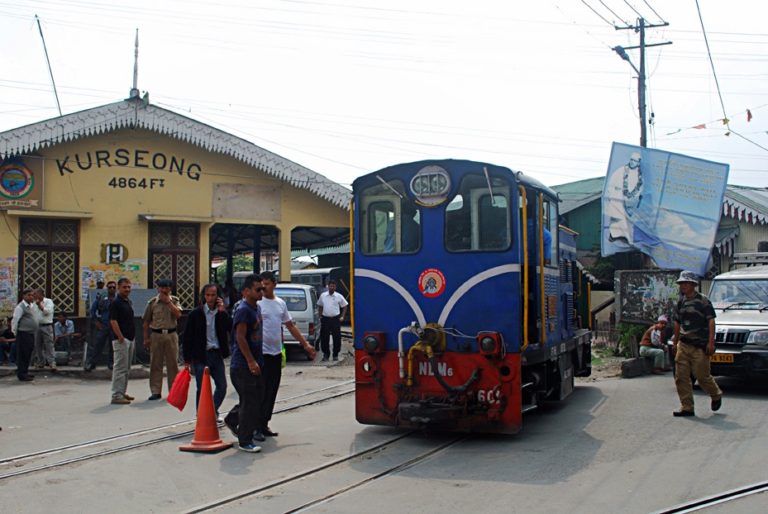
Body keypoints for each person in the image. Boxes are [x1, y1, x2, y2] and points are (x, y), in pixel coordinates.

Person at [257, 271, 317, 440]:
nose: (263, 287)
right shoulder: (258, 304)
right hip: (261, 354)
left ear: (274, 284)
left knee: (272, 390)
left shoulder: (280, 304)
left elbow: (290, 326)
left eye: (267, 283)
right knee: (259, 391)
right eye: (262, 283)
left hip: (276, 353)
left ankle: (264, 423)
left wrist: (305, 345)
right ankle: (253, 425)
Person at [671, 270, 722, 417]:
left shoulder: (703, 301)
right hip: (684, 344)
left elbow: (711, 321)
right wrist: (675, 342)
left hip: (699, 345)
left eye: (686, 283)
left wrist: (711, 342)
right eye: (681, 283)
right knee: (681, 377)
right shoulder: (681, 302)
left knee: (702, 376)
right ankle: (687, 407)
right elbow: (676, 322)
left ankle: (716, 394)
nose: (683, 286)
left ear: (693, 284)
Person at [223, 274, 265, 453]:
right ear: (246, 291)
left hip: (255, 362)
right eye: (258, 289)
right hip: (242, 365)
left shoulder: (256, 308)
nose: (261, 292)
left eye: (263, 288)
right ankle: (245, 440)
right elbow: (240, 337)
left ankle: (233, 419)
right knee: (250, 403)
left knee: (254, 399)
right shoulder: (243, 310)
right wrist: (250, 361)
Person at [182, 284, 231, 416]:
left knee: (222, 387)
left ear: (218, 296)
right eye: (208, 295)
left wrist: (223, 311)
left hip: (216, 353)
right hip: (201, 355)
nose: (210, 298)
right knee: (202, 388)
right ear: (204, 296)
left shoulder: (221, 313)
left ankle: (211, 411)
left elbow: (230, 328)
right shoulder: (195, 314)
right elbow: (187, 338)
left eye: (213, 295)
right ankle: (201, 415)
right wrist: (187, 360)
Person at [142, 278, 181, 401]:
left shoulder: (175, 301)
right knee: (155, 363)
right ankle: (155, 391)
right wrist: (146, 338)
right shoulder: (152, 303)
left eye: (167, 288)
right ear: (158, 288)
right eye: (162, 288)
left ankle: (173, 391)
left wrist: (169, 303)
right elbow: (146, 321)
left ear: (170, 289)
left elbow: (178, 315)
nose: (164, 290)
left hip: (171, 334)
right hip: (156, 335)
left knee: (173, 364)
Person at [605, 152, 643, 246]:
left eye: (635, 160)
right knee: (618, 218)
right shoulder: (621, 170)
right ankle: (617, 235)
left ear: (638, 163)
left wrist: (632, 198)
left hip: (631, 202)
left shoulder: (640, 176)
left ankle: (627, 237)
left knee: (629, 221)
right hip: (617, 199)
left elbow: (639, 189)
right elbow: (611, 184)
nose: (632, 162)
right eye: (631, 159)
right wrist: (614, 194)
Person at [109, 278, 136, 405]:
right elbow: (113, 321)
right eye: (124, 287)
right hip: (121, 340)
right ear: (119, 288)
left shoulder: (128, 302)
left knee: (127, 368)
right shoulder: (116, 302)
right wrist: (120, 337)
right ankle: (116, 395)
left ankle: (122, 391)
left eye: (129, 287)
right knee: (120, 368)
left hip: (130, 338)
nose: (127, 289)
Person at [86, 280, 116, 371]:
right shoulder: (102, 298)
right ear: (107, 288)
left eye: (113, 287)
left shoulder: (118, 299)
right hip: (104, 325)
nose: (112, 289)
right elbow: (92, 310)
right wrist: (96, 322)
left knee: (113, 346)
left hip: (115, 326)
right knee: (98, 345)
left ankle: (111, 363)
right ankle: (92, 363)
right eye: (110, 287)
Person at [317, 280, 348, 361]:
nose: (332, 288)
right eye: (330, 286)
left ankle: (335, 354)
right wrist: (320, 316)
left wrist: (342, 316)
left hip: (335, 319)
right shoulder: (323, 296)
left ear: (335, 287)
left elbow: (345, 306)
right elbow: (320, 306)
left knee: (337, 337)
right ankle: (326, 354)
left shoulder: (339, 296)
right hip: (325, 319)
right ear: (328, 286)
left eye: (333, 286)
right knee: (324, 337)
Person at [11, 289, 38, 382]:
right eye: (29, 295)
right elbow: (15, 320)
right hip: (23, 333)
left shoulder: (31, 306)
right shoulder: (20, 307)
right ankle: (21, 374)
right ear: (24, 296)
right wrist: (14, 332)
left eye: (32, 295)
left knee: (28, 353)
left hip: (30, 333)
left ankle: (25, 372)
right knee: (22, 354)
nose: (31, 297)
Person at [31, 288, 56, 370]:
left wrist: (39, 305)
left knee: (49, 345)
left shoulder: (48, 301)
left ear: (40, 294)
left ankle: (51, 363)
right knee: (37, 345)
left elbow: (47, 312)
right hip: (37, 326)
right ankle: (41, 362)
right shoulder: (33, 303)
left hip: (47, 326)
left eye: (35, 294)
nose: (33, 295)